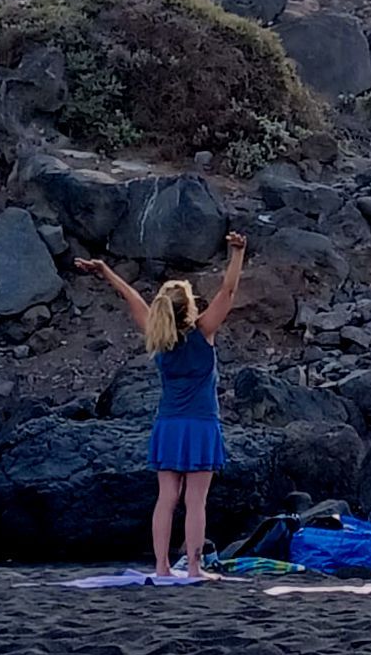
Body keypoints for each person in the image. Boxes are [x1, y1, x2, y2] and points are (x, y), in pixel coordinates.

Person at [75, 232, 247, 579]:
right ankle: (195, 567)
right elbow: (227, 292)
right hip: (200, 425)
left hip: (168, 425)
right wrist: (238, 253)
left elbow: (131, 296)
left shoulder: (158, 337)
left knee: (166, 498)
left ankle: (161, 566)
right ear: (190, 307)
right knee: (195, 501)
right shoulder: (204, 333)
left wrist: (105, 271)